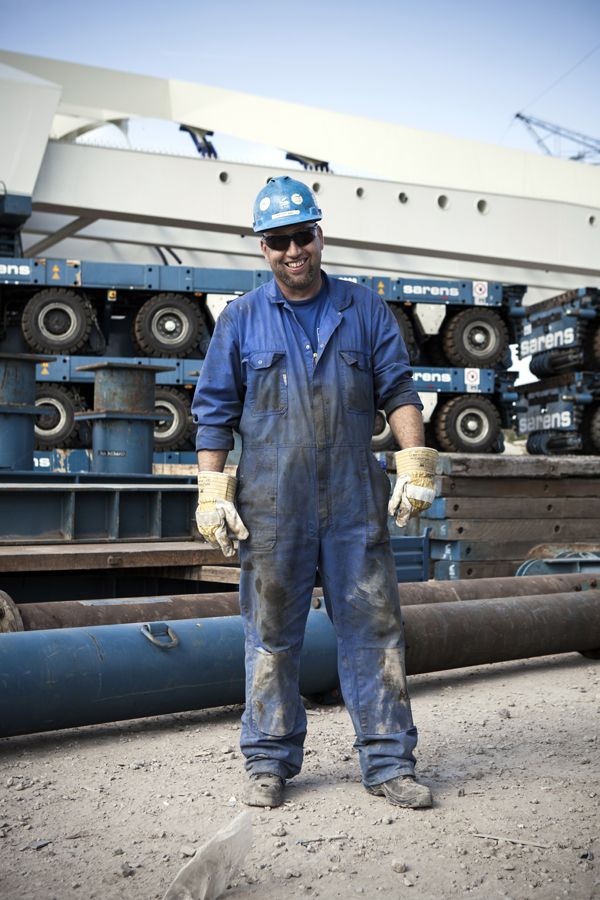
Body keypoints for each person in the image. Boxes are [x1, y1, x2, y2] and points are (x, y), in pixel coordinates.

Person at [192, 175, 438, 810]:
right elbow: (215, 412)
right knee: (271, 636)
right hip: (273, 508)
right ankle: (269, 762)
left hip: (355, 503)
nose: (293, 251)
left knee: (376, 632)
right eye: (279, 241)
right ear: (263, 248)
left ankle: (389, 763)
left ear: (320, 235)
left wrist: (414, 462)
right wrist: (212, 489)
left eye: (302, 236)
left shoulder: (365, 310)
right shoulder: (242, 319)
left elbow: (399, 389)